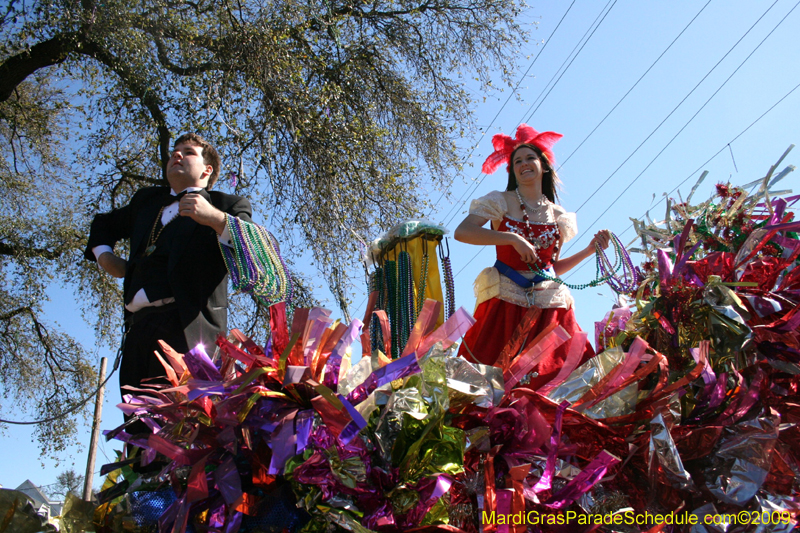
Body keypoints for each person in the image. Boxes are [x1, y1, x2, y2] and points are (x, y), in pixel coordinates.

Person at [84, 133, 253, 428]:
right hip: (138, 332)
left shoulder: (229, 204)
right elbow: (103, 224)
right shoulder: (146, 203)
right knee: (137, 430)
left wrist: (215, 219)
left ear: (206, 170)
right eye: (173, 152)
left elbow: (251, 248)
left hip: (187, 331)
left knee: (182, 431)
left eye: (187, 152)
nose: (176, 155)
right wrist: (104, 256)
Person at [454, 124, 610, 389]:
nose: (524, 164)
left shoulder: (560, 217)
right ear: (512, 170)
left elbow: (550, 267)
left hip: (549, 307)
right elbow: (463, 232)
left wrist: (588, 251)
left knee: (558, 376)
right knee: (488, 376)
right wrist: (511, 238)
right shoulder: (499, 201)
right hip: (506, 300)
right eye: (517, 161)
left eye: (530, 158)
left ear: (544, 166)